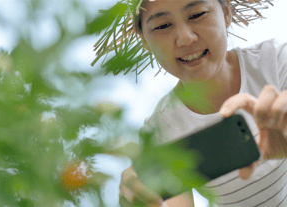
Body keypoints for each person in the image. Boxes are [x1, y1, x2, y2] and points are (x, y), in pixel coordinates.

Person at [92, 0, 287, 206]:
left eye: (197, 14)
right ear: (145, 42)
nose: (185, 38)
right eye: (162, 26)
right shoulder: (160, 130)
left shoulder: (276, 61)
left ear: (226, 13)